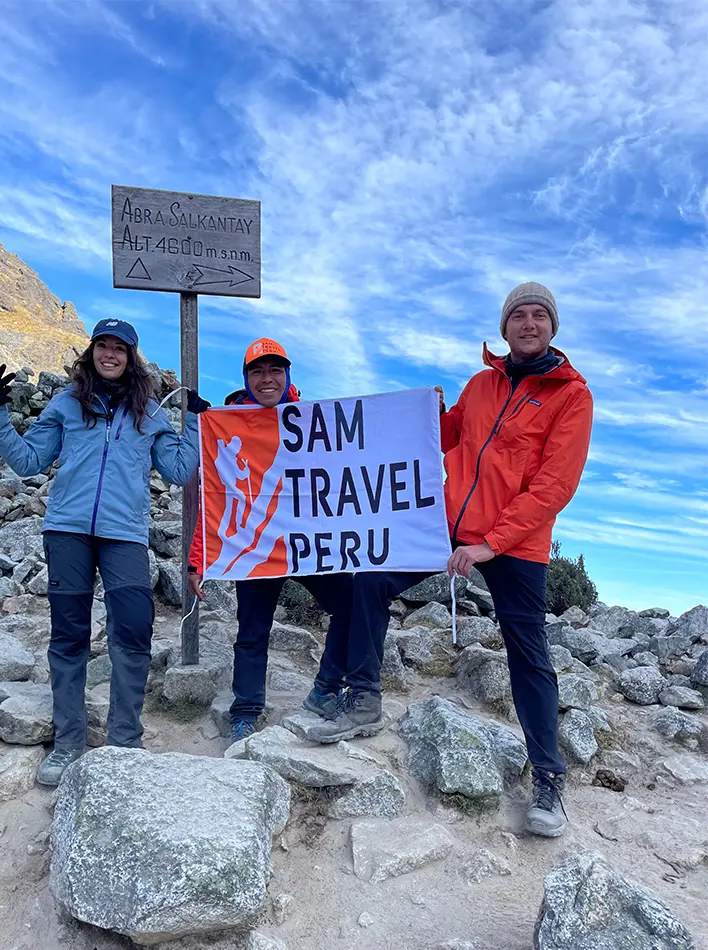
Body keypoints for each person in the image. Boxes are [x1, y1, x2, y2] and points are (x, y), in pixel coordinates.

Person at [306, 282, 593, 838]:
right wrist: (428, 415)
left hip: (517, 543)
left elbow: (555, 485)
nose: (528, 324)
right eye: (518, 316)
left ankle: (549, 779)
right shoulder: (482, 384)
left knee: (527, 651)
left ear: (552, 327)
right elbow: (442, 439)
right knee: (370, 578)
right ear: (505, 326)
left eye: (539, 316)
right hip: (446, 523)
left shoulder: (571, 396)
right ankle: (362, 698)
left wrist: (493, 542)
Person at [0, 319, 207, 786]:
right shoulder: (67, 404)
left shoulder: (149, 414)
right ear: (91, 352)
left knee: (133, 632)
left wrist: (196, 422)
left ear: (131, 357)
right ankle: (68, 745)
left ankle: (125, 741)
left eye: (119, 348)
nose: (110, 354)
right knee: (68, 635)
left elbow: (181, 471)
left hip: (124, 533)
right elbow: (27, 462)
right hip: (67, 531)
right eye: (102, 345)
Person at [187, 338, 352, 743]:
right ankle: (244, 711)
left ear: (287, 376)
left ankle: (327, 688)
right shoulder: (227, 425)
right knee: (252, 630)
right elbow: (215, 497)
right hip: (257, 543)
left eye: (275, 370)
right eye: (257, 371)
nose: (267, 378)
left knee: (352, 607)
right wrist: (197, 560)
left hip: (309, 542)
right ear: (246, 379)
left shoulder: (313, 423)